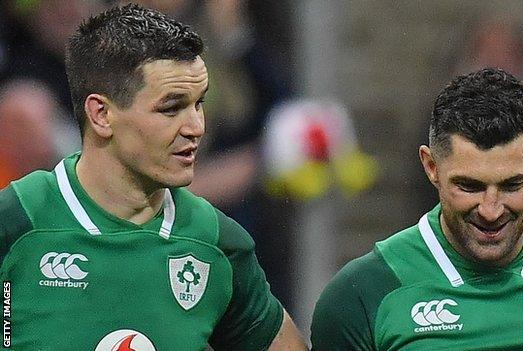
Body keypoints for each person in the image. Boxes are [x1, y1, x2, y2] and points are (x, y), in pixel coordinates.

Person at [0, 4, 307, 350]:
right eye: (171, 108)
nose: (196, 128)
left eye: (199, 105)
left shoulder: (216, 241)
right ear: (101, 114)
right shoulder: (16, 222)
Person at [310, 68, 523, 350]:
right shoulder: (363, 295)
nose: (491, 210)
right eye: (469, 186)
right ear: (431, 166)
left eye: (512, 185)